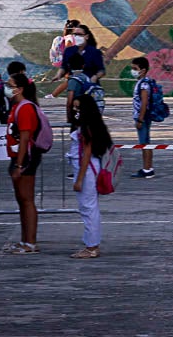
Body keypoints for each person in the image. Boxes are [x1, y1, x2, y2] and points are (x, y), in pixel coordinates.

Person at [6, 72, 46, 254]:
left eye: (10, 85)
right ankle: (24, 240)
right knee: (21, 200)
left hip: (25, 158)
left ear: (20, 89)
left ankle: (30, 242)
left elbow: (24, 138)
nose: (7, 89)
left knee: (27, 200)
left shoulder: (26, 108)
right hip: (17, 157)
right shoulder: (16, 107)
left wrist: (20, 165)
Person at [69, 93, 111, 259]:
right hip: (87, 168)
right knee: (89, 207)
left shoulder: (87, 127)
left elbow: (86, 153)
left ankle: (92, 246)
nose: (74, 110)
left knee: (88, 208)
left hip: (87, 170)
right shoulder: (90, 124)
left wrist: (79, 179)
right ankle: (91, 244)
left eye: (78, 108)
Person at [130, 57, 156, 179]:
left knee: (144, 143)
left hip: (143, 117)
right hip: (143, 117)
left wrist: (140, 119)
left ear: (143, 70)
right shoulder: (142, 82)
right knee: (145, 142)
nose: (133, 71)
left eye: (135, 69)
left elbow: (144, 102)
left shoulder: (144, 84)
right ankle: (147, 167)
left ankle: (147, 169)